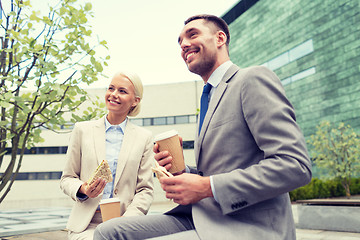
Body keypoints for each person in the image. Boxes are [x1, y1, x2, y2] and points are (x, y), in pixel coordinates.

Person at [94, 14, 312, 240]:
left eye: (192, 34)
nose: (183, 45)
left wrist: (207, 187)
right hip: (201, 215)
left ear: (220, 38)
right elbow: (214, 172)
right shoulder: (208, 96)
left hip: (246, 224)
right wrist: (183, 173)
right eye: (179, 41)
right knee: (108, 231)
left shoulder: (251, 79)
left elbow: (295, 166)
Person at [60, 71, 154, 240]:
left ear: (135, 101)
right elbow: (67, 178)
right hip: (86, 225)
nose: (113, 95)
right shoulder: (82, 130)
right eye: (111, 88)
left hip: (125, 224)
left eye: (122, 91)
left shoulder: (145, 138)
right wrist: (84, 189)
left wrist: (127, 221)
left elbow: (145, 190)